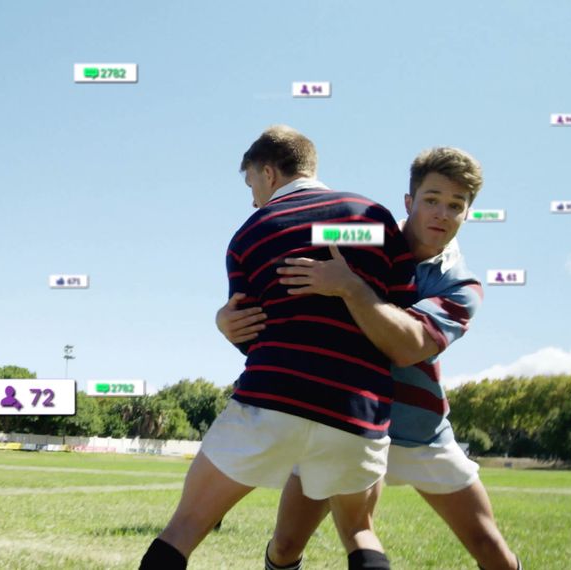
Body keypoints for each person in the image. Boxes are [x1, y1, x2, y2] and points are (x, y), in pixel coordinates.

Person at [218, 147, 521, 570]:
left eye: (456, 205)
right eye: (431, 199)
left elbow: (404, 346)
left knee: (491, 550)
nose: (441, 213)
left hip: (419, 430)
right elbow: (291, 252)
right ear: (408, 202)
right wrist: (230, 317)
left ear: (467, 214)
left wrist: (349, 287)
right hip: (343, 422)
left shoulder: (460, 285)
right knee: (285, 545)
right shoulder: (370, 234)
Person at [140, 126, 416, 570]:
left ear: (269, 172)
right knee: (361, 533)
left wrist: (226, 326)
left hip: (274, 395)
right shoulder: (372, 216)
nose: (253, 198)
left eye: (252, 183)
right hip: (356, 407)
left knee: (184, 528)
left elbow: (250, 331)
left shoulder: (251, 232)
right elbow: (402, 307)